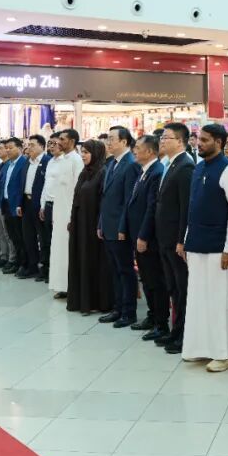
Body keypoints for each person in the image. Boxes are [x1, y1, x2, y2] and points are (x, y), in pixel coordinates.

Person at [180, 124, 228, 371]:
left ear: (219, 142)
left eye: (205, 140)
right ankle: (201, 348)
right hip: (196, 243)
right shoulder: (198, 168)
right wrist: (186, 239)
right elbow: (193, 207)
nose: (199, 143)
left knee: (222, 301)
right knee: (198, 299)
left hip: (219, 247)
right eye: (199, 139)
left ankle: (225, 353)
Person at [120, 134, 168, 336]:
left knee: (155, 281)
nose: (134, 151)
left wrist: (143, 236)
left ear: (149, 151)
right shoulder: (143, 171)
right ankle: (152, 315)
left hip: (148, 238)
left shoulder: (157, 172)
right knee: (147, 280)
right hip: (137, 233)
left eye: (138, 148)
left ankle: (161, 322)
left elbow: (151, 208)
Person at [155, 123, 195, 354]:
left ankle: (183, 335)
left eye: (166, 137)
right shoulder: (170, 164)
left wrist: (181, 239)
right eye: (162, 137)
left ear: (180, 141)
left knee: (182, 289)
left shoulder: (185, 166)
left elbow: (185, 208)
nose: (162, 141)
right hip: (164, 237)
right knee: (172, 287)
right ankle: (175, 331)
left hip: (175, 240)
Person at [99, 126, 141, 327]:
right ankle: (117, 308)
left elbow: (128, 201)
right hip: (108, 225)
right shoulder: (112, 163)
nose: (108, 142)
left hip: (120, 228)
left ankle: (128, 311)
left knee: (125, 270)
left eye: (111, 139)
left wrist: (123, 227)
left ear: (124, 142)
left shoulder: (131, 164)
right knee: (114, 270)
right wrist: (101, 223)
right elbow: (106, 197)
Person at [67, 140, 109, 314]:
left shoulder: (102, 172)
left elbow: (103, 203)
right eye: (81, 152)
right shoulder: (84, 173)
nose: (83, 155)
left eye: (86, 152)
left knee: (93, 261)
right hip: (80, 225)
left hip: (93, 227)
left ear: (96, 153)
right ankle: (81, 300)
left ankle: (96, 301)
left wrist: (99, 224)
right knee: (80, 260)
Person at [45, 129, 84, 294]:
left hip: (69, 214)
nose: (58, 142)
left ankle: (71, 287)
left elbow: (78, 191)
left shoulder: (76, 160)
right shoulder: (60, 161)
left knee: (68, 251)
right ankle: (61, 286)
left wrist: (72, 216)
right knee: (58, 250)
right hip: (59, 213)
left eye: (62, 139)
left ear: (72, 141)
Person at [18, 135, 50, 280]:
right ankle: (32, 265)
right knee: (28, 236)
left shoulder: (47, 161)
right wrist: (20, 203)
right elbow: (22, 184)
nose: (29, 147)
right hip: (26, 202)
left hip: (40, 204)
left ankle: (45, 267)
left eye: (32, 145)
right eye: (28, 145)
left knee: (43, 237)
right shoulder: (27, 162)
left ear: (42, 146)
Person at [0, 138, 28, 274]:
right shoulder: (7, 165)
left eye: (11, 147)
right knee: (12, 235)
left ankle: (24, 263)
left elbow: (22, 186)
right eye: (7, 148)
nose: (8, 150)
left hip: (17, 205)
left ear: (20, 148)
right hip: (6, 203)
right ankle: (16, 261)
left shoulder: (24, 163)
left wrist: (19, 204)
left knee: (20, 236)